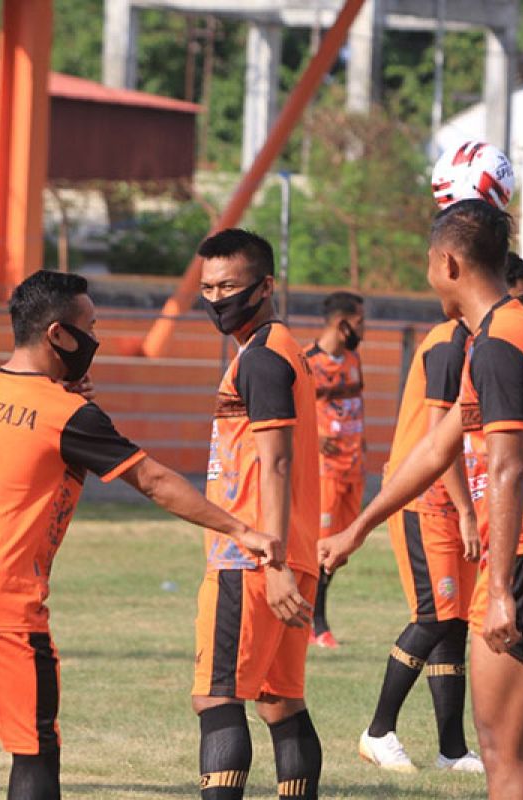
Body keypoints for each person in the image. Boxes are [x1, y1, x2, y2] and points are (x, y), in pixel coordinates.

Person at [0, 270, 282, 800]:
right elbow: (153, 480)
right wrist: (242, 528)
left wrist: (62, 398)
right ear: (59, 334)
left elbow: (8, 445)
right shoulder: (68, 414)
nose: (96, 339)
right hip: (0, 603)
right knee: (34, 749)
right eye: (90, 327)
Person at [321, 200, 523, 799]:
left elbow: (508, 469)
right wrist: (360, 527)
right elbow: (436, 451)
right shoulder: (517, 330)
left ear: (448, 263)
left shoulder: (499, 345)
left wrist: (502, 588)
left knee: (504, 757)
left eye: (429, 263)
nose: (429, 276)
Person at [194, 229, 323, 800]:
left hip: (251, 560)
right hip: (286, 554)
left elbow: (275, 464)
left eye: (228, 286)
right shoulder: (277, 349)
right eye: (206, 287)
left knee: (217, 696)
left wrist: (271, 563)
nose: (216, 298)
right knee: (280, 700)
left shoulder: (264, 360)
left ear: (265, 286)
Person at [355, 314, 484, 774]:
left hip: (455, 501)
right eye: (517, 297)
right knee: (432, 616)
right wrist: (468, 512)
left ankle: (452, 750)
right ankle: (377, 731)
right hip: (425, 501)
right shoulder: (450, 346)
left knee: (454, 624)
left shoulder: (477, 346)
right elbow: (437, 441)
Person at [304, 291, 366, 648]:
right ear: (342, 324)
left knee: (340, 551)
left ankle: (315, 621)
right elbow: (290, 411)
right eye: (360, 322)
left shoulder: (354, 359)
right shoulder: (307, 361)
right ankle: (316, 623)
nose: (364, 329)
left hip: (353, 469)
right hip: (324, 471)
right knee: (320, 548)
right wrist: (314, 437)